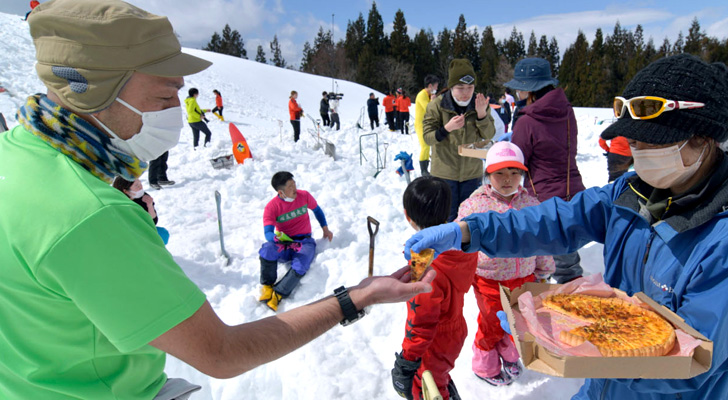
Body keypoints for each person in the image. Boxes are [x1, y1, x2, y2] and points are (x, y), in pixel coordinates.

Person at [0, 1, 435, 398]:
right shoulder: (91, 216)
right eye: (163, 94)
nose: (176, 106)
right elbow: (222, 353)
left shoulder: (16, 152)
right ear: (92, 90)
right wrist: (356, 297)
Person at [405, 54, 728, 400]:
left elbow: (691, 363)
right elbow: (555, 219)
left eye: (647, 144)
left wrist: (569, 341)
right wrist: (470, 231)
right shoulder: (631, 192)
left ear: (699, 137)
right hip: (603, 388)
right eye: (632, 144)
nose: (636, 156)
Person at [456, 141, 554, 386]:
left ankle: (510, 355)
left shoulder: (530, 204)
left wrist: (544, 270)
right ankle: (484, 366)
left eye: (514, 172)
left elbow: (541, 241)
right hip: (489, 280)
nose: (508, 179)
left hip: (525, 277)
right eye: (499, 173)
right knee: (491, 323)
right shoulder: (474, 206)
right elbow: (459, 246)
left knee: (518, 321)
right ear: (488, 173)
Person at [391, 176, 477, 400]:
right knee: (438, 376)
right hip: (454, 328)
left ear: (408, 216)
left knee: (426, 388)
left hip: (433, 341)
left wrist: (407, 361)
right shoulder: (461, 246)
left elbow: (421, 321)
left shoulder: (424, 266)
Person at [507, 57, 585, 284]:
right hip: (573, 192)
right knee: (567, 261)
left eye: (520, 89)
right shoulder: (567, 111)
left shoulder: (527, 120)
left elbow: (517, 160)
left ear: (530, 90)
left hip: (543, 200)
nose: (518, 94)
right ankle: (577, 303)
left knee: (543, 263)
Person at [423, 58, 495, 222]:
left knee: (469, 219)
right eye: (460, 88)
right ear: (451, 87)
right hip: (444, 173)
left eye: (470, 87)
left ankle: (466, 249)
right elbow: (427, 138)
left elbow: (489, 134)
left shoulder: (480, 103)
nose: (465, 92)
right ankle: (447, 248)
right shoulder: (437, 105)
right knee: (446, 218)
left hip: (471, 173)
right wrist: (446, 129)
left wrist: (482, 115)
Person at [258, 171, 334, 311]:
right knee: (267, 249)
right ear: (281, 192)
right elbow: (268, 232)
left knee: (302, 262)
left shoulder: (304, 196)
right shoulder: (272, 207)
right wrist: (275, 239)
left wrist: (325, 229)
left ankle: (279, 293)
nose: (295, 189)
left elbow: (317, 210)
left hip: (304, 242)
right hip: (285, 244)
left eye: (294, 184)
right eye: (290, 187)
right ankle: (267, 286)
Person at [112, 176, 170, 244]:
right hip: (123, 232)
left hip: (140, 229)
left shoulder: (143, 197)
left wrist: (150, 206)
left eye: (140, 184)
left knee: (163, 234)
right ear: (125, 191)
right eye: (137, 185)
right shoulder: (116, 201)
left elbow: (153, 222)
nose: (141, 187)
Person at [415, 75, 440, 176]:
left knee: (428, 145)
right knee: (425, 145)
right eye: (436, 86)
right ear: (430, 86)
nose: (437, 88)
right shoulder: (422, 95)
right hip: (420, 124)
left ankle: (426, 169)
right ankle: (423, 170)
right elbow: (428, 108)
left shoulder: (428, 95)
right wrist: (433, 100)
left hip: (427, 124)